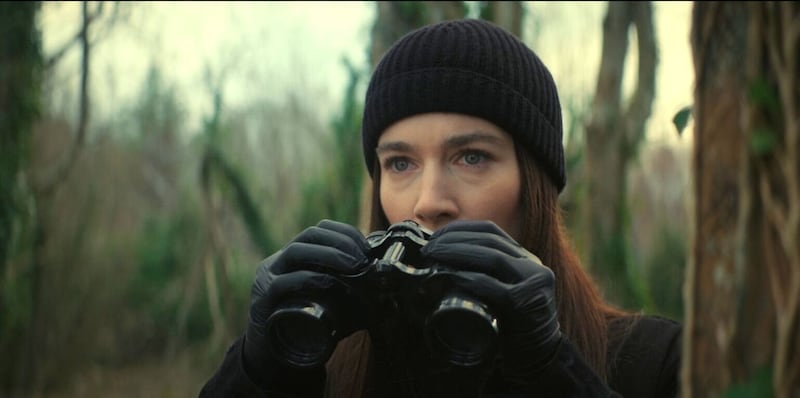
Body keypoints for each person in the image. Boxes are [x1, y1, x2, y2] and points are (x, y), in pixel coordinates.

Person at [200, 18, 681, 398]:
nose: (428, 202)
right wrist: (257, 375)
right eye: (401, 163)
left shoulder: (651, 362)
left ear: (535, 186)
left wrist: (552, 372)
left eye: (472, 157)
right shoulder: (323, 362)